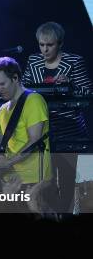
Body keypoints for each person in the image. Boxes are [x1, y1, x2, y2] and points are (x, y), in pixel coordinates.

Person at [22, 22, 92, 213]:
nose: (45, 49)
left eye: (49, 45)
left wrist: (69, 84)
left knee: (67, 180)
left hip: (69, 130)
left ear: (59, 44)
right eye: (41, 45)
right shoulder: (33, 61)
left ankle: (66, 217)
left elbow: (87, 92)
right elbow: (23, 90)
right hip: (41, 131)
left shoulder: (74, 61)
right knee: (46, 180)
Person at [0, 57, 52, 213]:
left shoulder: (34, 100)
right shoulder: (2, 110)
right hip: (10, 181)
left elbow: (35, 141)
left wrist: (8, 162)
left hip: (33, 181)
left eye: (2, 84)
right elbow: (0, 147)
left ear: (15, 78)